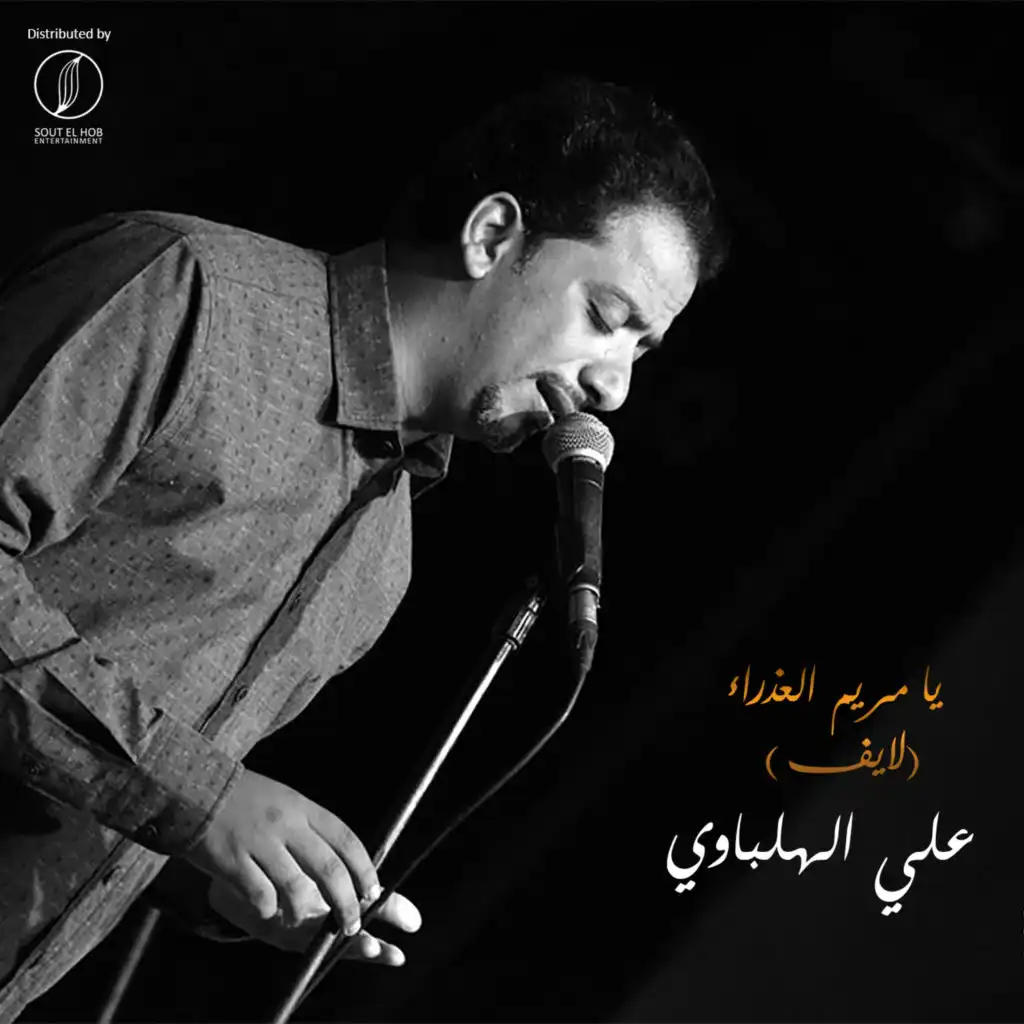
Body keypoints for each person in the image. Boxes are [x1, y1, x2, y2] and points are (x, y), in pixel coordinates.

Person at [0, 75, 727, 1020]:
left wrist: (233, 882)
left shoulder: (382, 559)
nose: (616, 387)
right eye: (606, 317)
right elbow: (175, 785)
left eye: (643, 349)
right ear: (492, 236)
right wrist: (202, 801)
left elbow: (105, 796)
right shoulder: (188, 292)